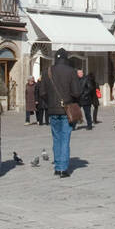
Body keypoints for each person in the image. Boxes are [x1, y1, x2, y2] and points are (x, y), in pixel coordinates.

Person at [37, 49, 82, 177]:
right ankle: (62, 168)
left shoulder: (47, 72)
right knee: (64, 139)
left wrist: (51, 102)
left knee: (56, 138)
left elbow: (42, 93)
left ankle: (57, 166)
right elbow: (76, 92)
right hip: (66, 110)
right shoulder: (71, 72)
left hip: (52, 110)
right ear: (66, 58)